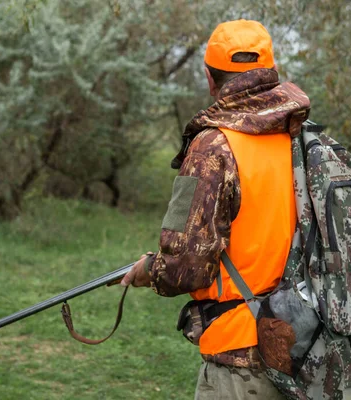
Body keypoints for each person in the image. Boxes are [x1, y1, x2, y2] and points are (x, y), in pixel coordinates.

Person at [121, 19, 310, 399]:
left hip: (241, 355)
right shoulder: (300, 136)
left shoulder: (212, 147)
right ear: (270, 74)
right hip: (303, 342)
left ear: (210, 78)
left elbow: (185, 267)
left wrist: (149, 270)